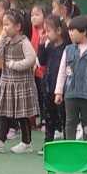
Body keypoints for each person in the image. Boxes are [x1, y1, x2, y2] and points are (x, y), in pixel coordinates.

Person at [0, 10, 38, 153]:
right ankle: (0, 140)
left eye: (7, 24)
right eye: (3, 24)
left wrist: (15, 65)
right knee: (4, 112)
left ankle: (26, 142)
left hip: (21, 84)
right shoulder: (6, 41)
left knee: (22, 114)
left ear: (18, 26)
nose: (4, 28)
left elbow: (31, 59)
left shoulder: (24, 42)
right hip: (7, 83)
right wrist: (1, 38)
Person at [56, 15, 87, 143]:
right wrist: (58, 91)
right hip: (70, 93)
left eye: (73, 31)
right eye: (69, 30)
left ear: (84, 32)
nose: (70, 34)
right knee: (70, 121)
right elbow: (62, 72)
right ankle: (70, 145)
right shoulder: (68, 50)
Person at [34, 14, 67, 147]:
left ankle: (67, 143)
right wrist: (41, 45)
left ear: (58, 31)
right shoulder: (50, 46)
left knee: (64, 118)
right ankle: (48, 143)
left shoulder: (67, 48)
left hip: (61, 89)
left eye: (48, 31)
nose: (46, 34)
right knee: (49, 118)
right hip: (48, 87)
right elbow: (41, 61)